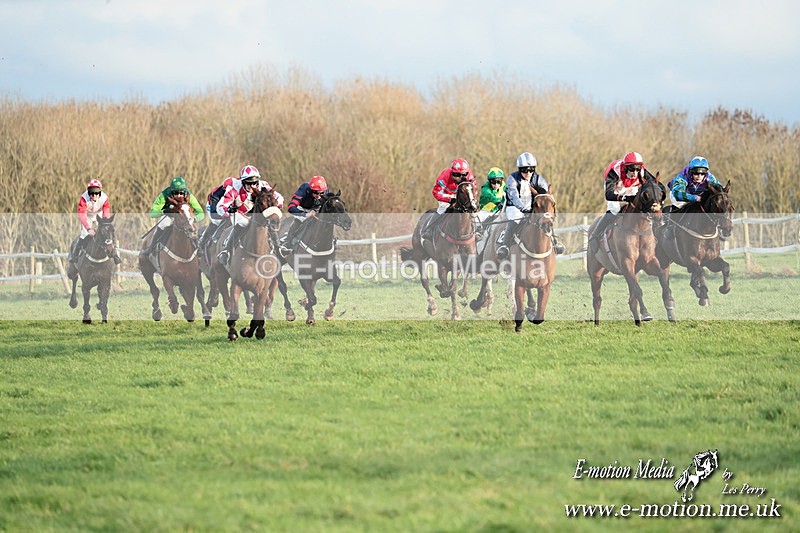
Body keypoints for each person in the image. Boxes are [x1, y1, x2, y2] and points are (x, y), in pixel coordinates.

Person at [496, 152, 565, 259]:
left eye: (531, 169)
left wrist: (551, 207)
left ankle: (554, 241)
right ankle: (505, 246)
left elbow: (546, 195)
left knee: (545, 219)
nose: (528, 172)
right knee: (515, 220)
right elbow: (514, 197)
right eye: (524, 170)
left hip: (532, 207)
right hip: (514, 207)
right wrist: (523, 208)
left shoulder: (539, 179)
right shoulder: (512, 179)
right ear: (519, 169)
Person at [216, 165, 284, 265]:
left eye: (255, 183)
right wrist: (229, 209)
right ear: (243, 182)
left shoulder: (263, 186)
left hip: (254, 212)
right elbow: (220, 207)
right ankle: (226, 250)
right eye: (249, 183)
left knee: (268, 220)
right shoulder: (234, 188)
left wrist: (276, 205)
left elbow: (279, 197)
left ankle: (278, 247)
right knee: (245, 222)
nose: (252, 186)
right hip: (238, 212)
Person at [587, 151, 653, 252]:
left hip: (631, 186)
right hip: (616, 186)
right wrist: (625, 198)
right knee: (614, 209)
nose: (635, 172)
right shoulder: (614, 171)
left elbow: (657, 185)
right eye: (631, 169)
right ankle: (594, 236)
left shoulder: (642, 172)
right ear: (626, 167)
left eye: (638, 169)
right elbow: (608, 195)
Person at [144, 176, 205, 266]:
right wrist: (164, 211)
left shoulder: (189, 195)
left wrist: (193, 219)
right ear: (171, 191)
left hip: (184, 218)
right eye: (176, 192)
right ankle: (152, 247)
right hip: (170, 216)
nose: (179, 195)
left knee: (192, 227)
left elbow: (201, 213)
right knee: (163, 223)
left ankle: (198, 248)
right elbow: (152, 213)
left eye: (181, 192)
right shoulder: (164, 194)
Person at [663, 156, 724, 240]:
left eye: (702, 173)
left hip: (698, 193)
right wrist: (694, 198)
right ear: (691, 172)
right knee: (680, 204)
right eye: (696, 173)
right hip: (679, 194)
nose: (699, 176)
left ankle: (716, 229)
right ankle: (670, 227)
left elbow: (720, 189)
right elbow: (678, 194)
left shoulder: (709, 177)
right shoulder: (682, 177)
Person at [420, 158, 476, 241]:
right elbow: (436, 193)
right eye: (457, 175)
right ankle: (428, 229)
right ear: (452, 172)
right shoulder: (444, 177)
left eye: (464, 174)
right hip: (447, 196)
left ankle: (478, 229)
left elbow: (473, 190)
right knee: (442, 209)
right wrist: (450, 198)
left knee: (472, 209)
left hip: (461, 197)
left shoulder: (469, 176)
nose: (460, 177)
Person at [68, 178, 121, 265]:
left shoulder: (104, 198)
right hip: (87, 215)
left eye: (96, 191)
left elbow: (106, 212)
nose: (94, 194)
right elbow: (82, 215)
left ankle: (115, 255)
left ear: (100, 192)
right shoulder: (83, 199)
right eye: (92, 191)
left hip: (98, 215)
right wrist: (89, 229)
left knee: (107, 233)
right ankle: (75, 255)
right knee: (84, 234)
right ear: (88, 192)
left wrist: (105, 223)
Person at [278, 175, 330, 257]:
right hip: (303, 208)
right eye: (316, 193)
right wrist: (306, 214)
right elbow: (291, 207)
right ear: (310, 190)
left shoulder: (326, 192)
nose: (319, 195)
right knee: (300, 219)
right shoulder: (304, 188)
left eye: (321, 193)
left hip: (316, 209)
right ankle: (287, 241)